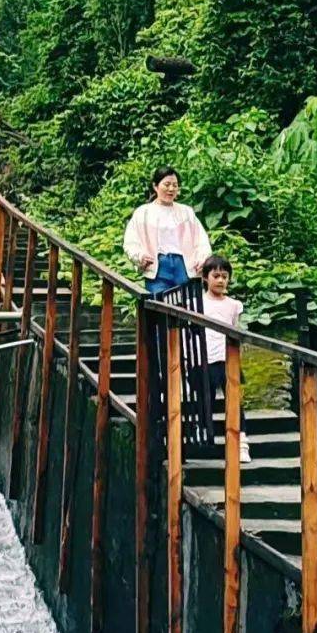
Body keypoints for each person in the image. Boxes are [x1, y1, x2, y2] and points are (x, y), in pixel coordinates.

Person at [123, 166, 211, 297]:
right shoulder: (143, 212)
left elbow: (201, 240)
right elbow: (131, 241)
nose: (171, 189)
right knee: (159, 307)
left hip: (185, 265)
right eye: (167, 184)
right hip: (158, 267)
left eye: (175, 185)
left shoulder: (187, 212)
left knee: (189, 305)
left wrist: (202, 258)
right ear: (155, 186)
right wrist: (140, 256)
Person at [201, 255, 251, 464]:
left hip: (226, 357)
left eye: (224, 276)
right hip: (205, 358)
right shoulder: (198, 303)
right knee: (206, 399)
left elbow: (236, 330)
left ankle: (241, 442)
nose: (220, 280)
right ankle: (206, 437)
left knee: (234, 401)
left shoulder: (234, 305)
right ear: (206, 278)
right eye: (216, 276)